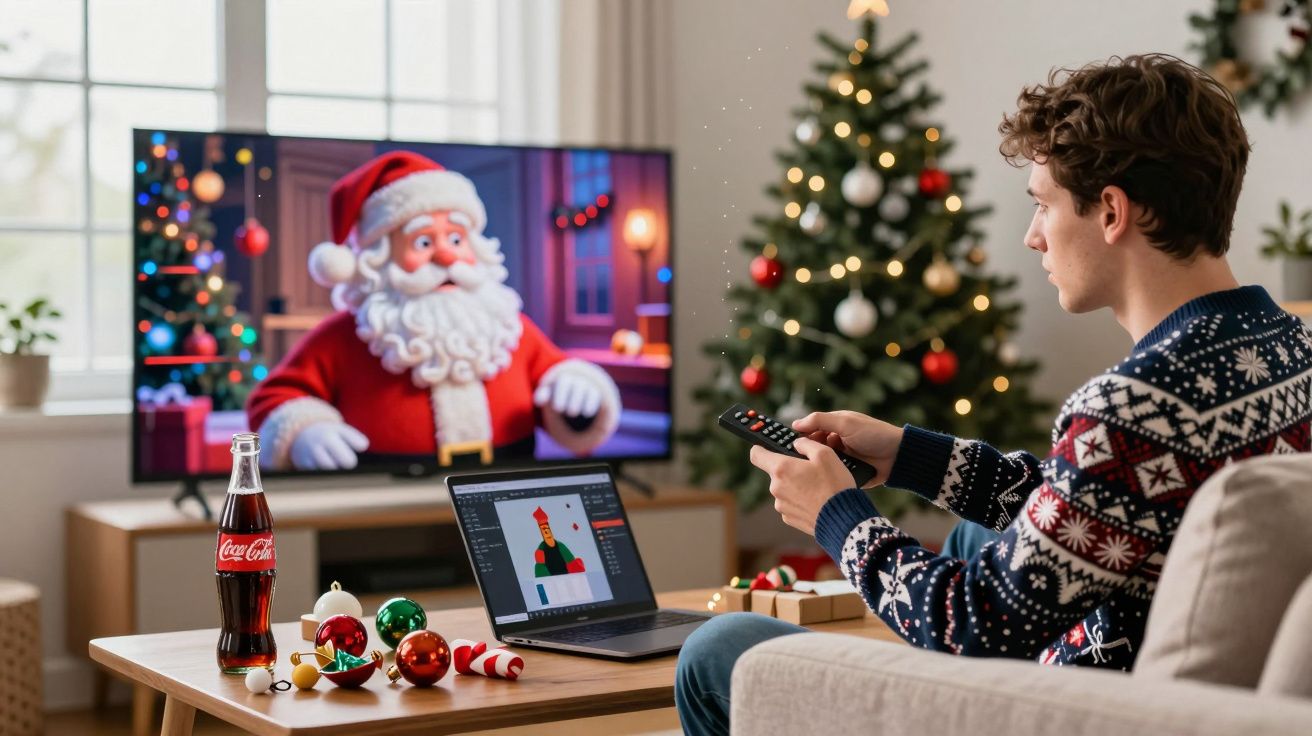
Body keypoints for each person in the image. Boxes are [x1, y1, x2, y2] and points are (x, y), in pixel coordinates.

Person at [676, 53, 1312, 736]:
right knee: (972, 533)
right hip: (1159, 658)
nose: (1033, 236)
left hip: (1077, 709)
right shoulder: (1288, 348)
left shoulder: (1136, 406)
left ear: (1111, 212)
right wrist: (908, 455)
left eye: (1042, 204)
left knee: (718, 650)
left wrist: (837, 516)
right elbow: (1116, 506)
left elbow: (972, 625)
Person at [247, 151, 621, 471]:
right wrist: (303, 431)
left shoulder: (507, 325)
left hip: (506, 492)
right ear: (379, 259)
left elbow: (556, 386)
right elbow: (273, 398)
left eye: (456, 238)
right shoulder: (345, 336)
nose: (445, 256)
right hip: (385, 500)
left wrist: (580, 392)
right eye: (423, 242)